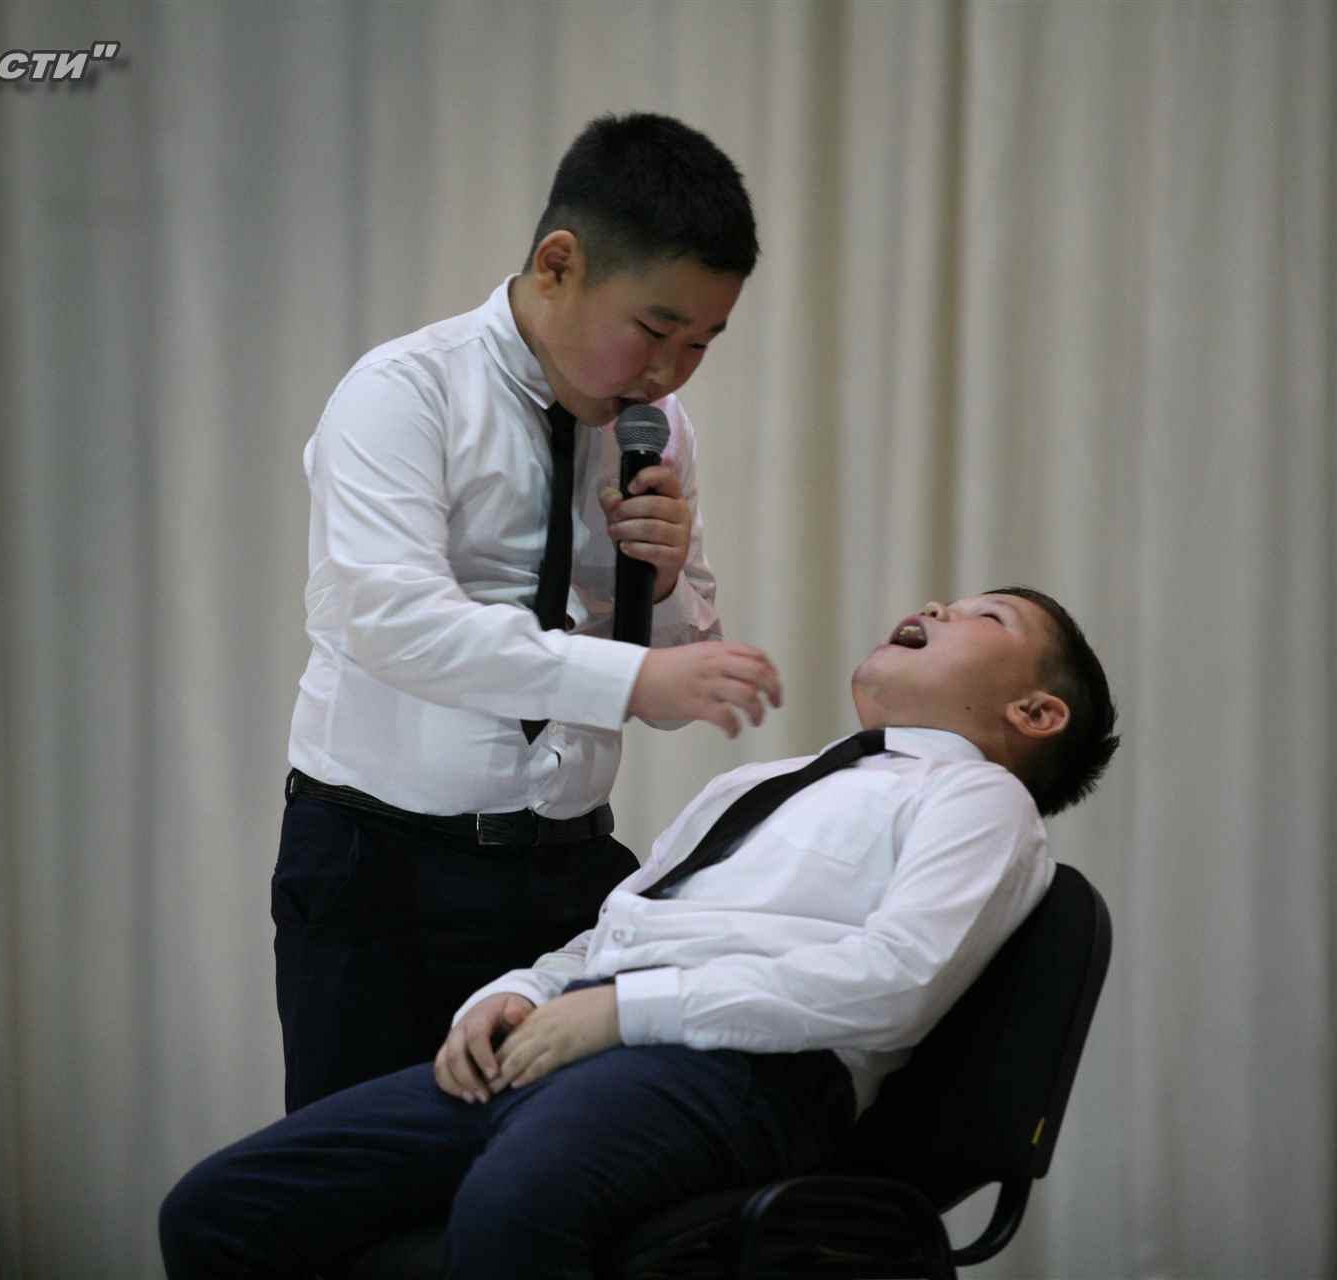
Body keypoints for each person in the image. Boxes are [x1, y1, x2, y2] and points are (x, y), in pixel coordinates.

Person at [165, 587, 1123, 1279]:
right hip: (577, 1040)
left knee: (515, 1207)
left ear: (1036, 712)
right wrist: (523, 991)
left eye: (987, 617)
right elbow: (619, 928)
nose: (941, 605)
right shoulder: (755, 782)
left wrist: (625, 1014)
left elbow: (894, 981)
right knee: (223, 1209)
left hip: (745, 1074)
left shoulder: (981, 800)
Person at [277, 112, 784, 1113]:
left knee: (544, 1173)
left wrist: (666, 584)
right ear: (559, 264)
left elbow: (680, 673)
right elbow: (398, 623)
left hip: (565, 871)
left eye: (701, 343)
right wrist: (633, 676)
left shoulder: (658, 428)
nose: (671, 370)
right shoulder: (405, 392)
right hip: (381, 868)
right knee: (359, 1180)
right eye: (655, 331)